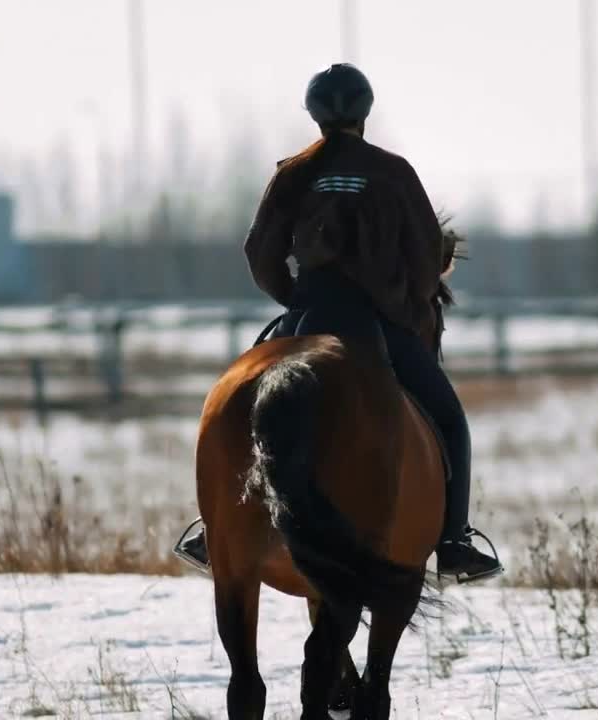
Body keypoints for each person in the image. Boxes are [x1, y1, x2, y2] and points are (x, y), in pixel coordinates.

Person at [175, 63, 501, 583]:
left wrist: (296, 298)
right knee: (449, 419)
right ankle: (454, 540)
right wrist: (407, 302)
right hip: (379, 320)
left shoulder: (293, 172)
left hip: (309, 311)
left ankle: (215, 528)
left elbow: (260, 253)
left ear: (315, 115)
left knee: (240, 403)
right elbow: (423, 257)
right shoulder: (395, 173)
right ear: (365, 114)